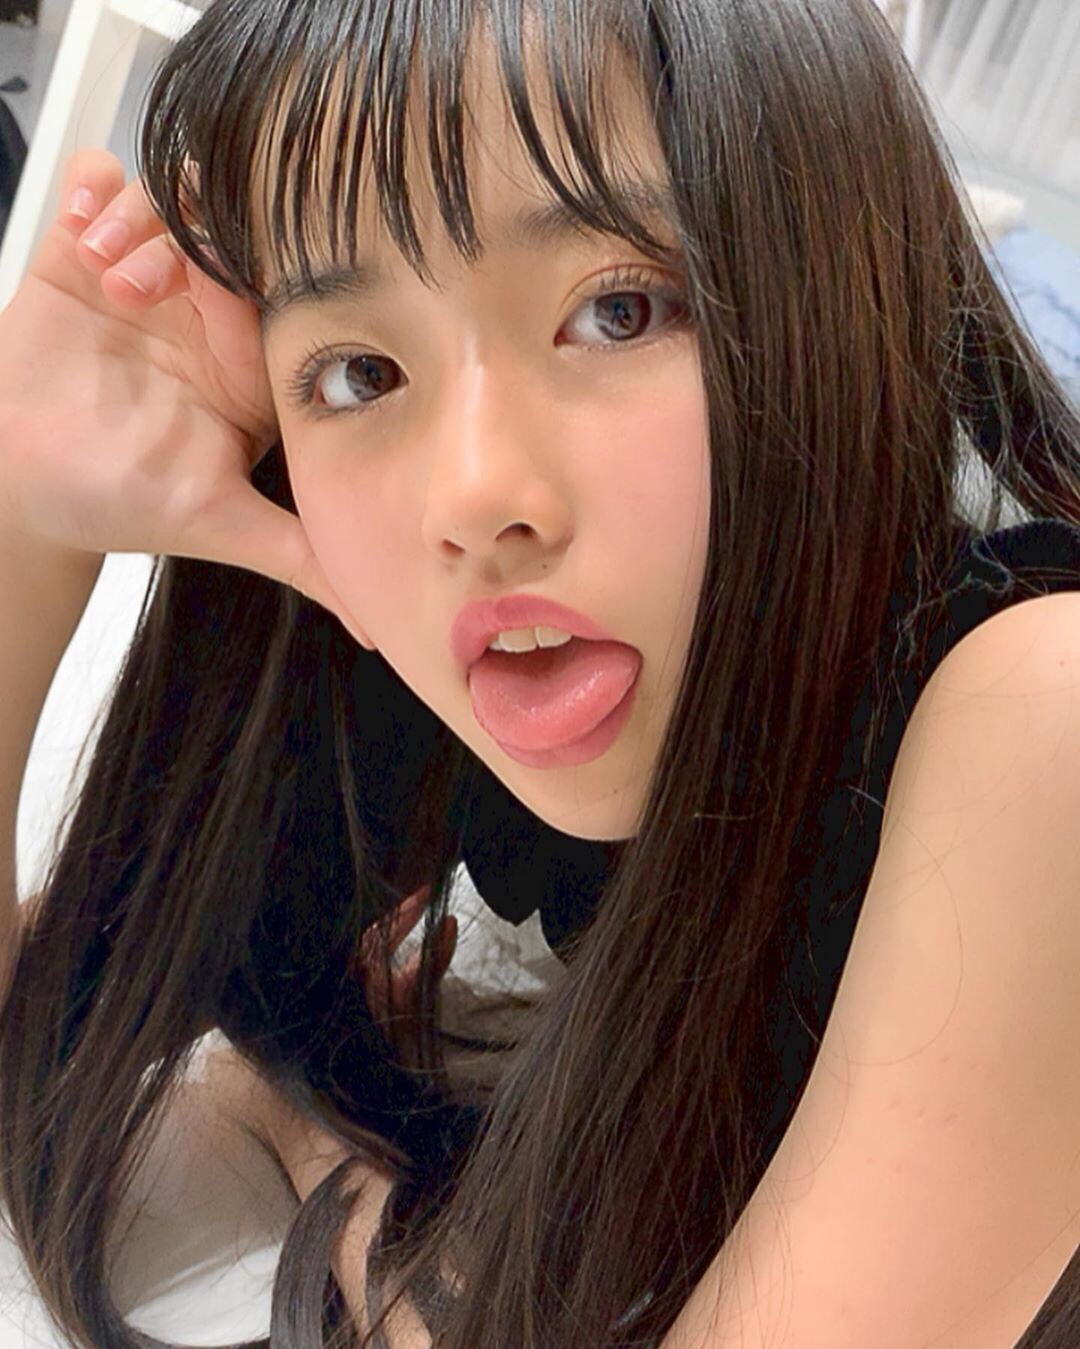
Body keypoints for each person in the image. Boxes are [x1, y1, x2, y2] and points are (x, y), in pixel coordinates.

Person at [0, 0, 1078, 1345]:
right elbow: (65, 1014)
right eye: (360, 370)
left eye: (618, 309)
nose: (473, 494)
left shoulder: (1042, 705)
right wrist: (25, 529)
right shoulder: (462, 617)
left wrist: (344, 1177)